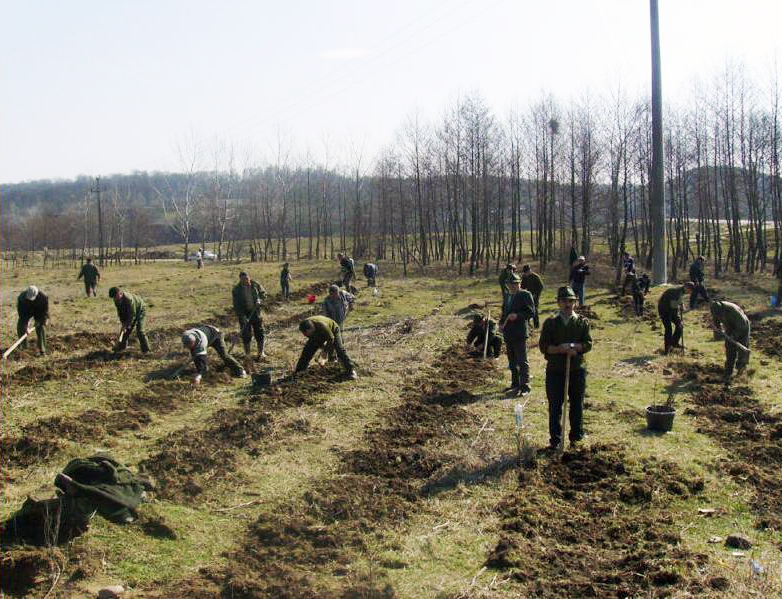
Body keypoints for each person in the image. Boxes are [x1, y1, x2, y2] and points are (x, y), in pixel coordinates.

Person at [538, 286, 593, 450]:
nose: (567, 304)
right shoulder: (550, 323)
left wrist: (574, 347)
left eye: (571, 301)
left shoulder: (582, 322)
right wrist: (558, 349)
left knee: (576, 405)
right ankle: (555, 441)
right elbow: (543, 346)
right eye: (564, 301)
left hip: (576, 370)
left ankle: (576, 438)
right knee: (555, 406)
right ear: (558, 302)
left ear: (575, 302)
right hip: (555, 370)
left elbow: (588, 344)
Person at [499, 274, 536, 395]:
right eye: (510, 284)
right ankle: (515, 384)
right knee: (512, 361)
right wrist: (501, 323)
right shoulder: (507, 296)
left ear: (519, 283)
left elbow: (531, 312)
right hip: (508, 332)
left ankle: (525, 386)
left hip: (519, 332)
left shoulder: (525, 295)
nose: (513, 286)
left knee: (522, 360)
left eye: (515, 283)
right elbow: (504, 312)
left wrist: (517, 316)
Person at [295, 315, 357, 379]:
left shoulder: (322, 325)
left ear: (312, 328)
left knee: (339, 349)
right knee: (307, 351)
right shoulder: (304, 327)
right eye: (306, 334)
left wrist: (325, 352)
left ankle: (351, 370)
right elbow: (314, 341)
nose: (306, 335)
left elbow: (331, 338)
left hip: (333, 330)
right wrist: (322, 349)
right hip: (318, 333)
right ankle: (299, 372)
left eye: (308, 333)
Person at [181, 325, 246, 385]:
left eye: (190, 346)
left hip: (216, 335)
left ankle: (240, 371)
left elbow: (202, 358)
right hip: (206, 333)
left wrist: (199, 375)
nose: (189, 348)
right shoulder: (186, 335)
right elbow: (196, 356)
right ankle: (205, 374)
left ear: (194, 342)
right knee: (196, 356)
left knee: (224, 355)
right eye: (187, 346)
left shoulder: (201, 343)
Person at [710, 300, 750, 385]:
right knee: (729, 350)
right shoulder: (716, 310)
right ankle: (728, 372)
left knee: (742, 351)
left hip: (743, 328)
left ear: (722, 309)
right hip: (730, 328)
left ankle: (740, 372)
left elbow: (742, 325)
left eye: (719, 314)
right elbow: (716, 321)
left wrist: (734, 336)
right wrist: (717, 333)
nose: (718, 316)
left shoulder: (733, 310)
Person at [231, 272, 267, 360]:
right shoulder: (236, 290)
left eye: (247, 279)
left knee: (259, 332)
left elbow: (263, 294)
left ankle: (261, 352)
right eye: (244, 280)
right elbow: (236, 306)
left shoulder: (255, 285)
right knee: (246, 334)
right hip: (244, 313)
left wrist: (260, 300)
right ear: (240, 280)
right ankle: (248, 354)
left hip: (255, 312)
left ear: (249, 277)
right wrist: (242, 317)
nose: (246, 281)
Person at [109, 286, 150, 353]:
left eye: (116, 297)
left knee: (140, 331)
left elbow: (132, 314)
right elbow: (120, 313)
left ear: (120, 293)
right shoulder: (116, 300)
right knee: (124, 331)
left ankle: (146, 350)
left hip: (140, 310)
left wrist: (127, 325)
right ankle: (121, 348)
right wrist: (123, 324)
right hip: (129, 312)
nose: (115, 299)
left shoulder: (129, 299)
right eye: (114, 298)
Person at [657, 283, 694, 354]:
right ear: (686, 287)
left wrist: (682, 305)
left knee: (680, 325)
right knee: (668, 329)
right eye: (689, 291)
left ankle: (674, 343)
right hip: (664, 310)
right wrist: (679, 312)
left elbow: (678, 301)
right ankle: (667, 349)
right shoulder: (676, 292)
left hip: (671, 309)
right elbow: (673, 306)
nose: (689, 293)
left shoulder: (681, 291)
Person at [16, 286, 49, 355]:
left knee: (40, 327)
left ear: (36, 294)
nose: (31, 300)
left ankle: (42, 350)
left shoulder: (43, 298)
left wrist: (42, 320)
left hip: (39, 312)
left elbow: (44, 312)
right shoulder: (21, 298)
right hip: (27, 311)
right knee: (21, 326)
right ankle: (23, 347)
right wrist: (26, 326)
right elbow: (22, 315)